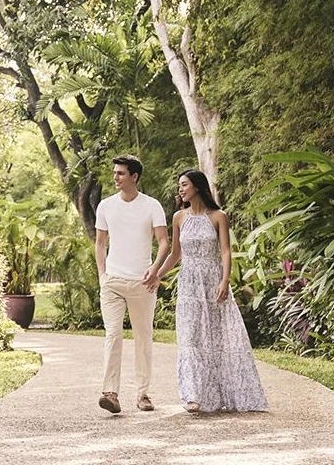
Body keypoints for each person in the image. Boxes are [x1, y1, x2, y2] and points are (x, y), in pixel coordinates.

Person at [143, 169, 268, 413]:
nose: (180, 190)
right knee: (190, 338)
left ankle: (221, 393)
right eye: (179, 186)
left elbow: (225, 252)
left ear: (197, 187)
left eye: (184, 185)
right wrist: (157, 274)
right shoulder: (179, 217)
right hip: (189, 284)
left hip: (212, 282)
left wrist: (225, 281)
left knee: (218, 338)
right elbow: (175, 254)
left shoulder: (218, 216)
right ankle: (193, 395)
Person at [94, 155, 170, 413]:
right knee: (113, 335)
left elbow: (164, 243)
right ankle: (110, 393)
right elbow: (100, 243)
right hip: (113, 282)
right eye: (115, 172)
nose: (115, 177)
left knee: (143, 337)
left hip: (143, 282)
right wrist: (102, 276)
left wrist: (155, 269)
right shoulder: (105, 206)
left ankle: (143, 394)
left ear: (134, 176)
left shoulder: (152, 206)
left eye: (121, 173)